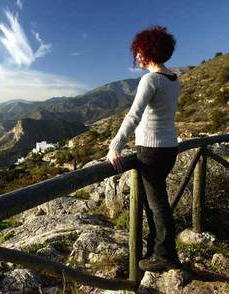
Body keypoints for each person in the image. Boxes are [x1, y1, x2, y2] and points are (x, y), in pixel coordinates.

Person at [106, 25, 181, 272]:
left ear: (149, 51)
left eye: (138, 51)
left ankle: (165, 255)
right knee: (155, 202)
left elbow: (133, 116)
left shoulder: (150, 79)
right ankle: (155, 249)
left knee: (157, 203)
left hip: (151, 149)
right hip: (170, 147)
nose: (136, 56)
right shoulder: (173, 79)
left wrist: (115, 146)